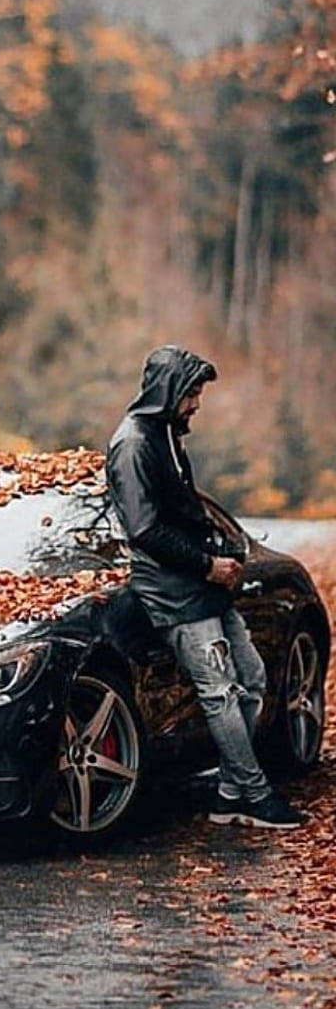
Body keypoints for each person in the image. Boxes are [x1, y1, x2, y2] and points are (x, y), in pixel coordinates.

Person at [106, 344, 303, 830]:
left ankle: (231, 790)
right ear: (167, 391)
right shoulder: (133, 444)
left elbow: (183, 510)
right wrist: (205, 564)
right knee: (218, 693)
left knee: (252, 678)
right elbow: (144, 530)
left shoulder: (167, 434)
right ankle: (253, 796)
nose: (197, 403)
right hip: (173, 592)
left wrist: (222, 556)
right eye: (191, 392)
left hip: (203, 584)